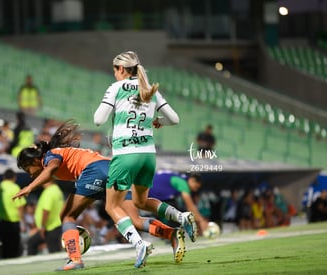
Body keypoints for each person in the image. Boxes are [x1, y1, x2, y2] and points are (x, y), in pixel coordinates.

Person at [12, 121, 187, 271]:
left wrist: (29, 188)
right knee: (134, 219)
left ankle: (75, 259)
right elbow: (51, 173)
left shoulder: (49, 156)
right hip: (112, 169)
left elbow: (50, 170)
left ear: (34, 160)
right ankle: (171, 234)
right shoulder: (54, 156)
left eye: (28, 169)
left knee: (67, 216)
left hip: (93, 171)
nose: (29, 174)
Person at [93, 51, 196, 268]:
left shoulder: (115, 88)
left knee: (112, 206)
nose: (114, 74)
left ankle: (140, 244)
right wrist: (158, 121)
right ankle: (180, 217)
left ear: (121, 69)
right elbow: (174, 119)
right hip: (148, 155)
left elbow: (98, 120)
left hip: (125, 154)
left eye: (115, 70)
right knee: (140, 202)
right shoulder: (149, 90)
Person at [0, 169, 26, 258]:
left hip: (1, 222)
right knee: (14, 249)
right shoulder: (15, 187)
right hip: (13, 222)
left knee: (5, 249)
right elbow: (20, 206)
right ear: (14, 177)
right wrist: (22, 222)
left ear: (4, 177)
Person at [27, 181, 64, 255]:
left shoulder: (49, 192)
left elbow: (46, 210)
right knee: (54, 249)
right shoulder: (57, 190)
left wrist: (42, 227)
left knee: (53, 251)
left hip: (49, 227)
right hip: (56, 225)